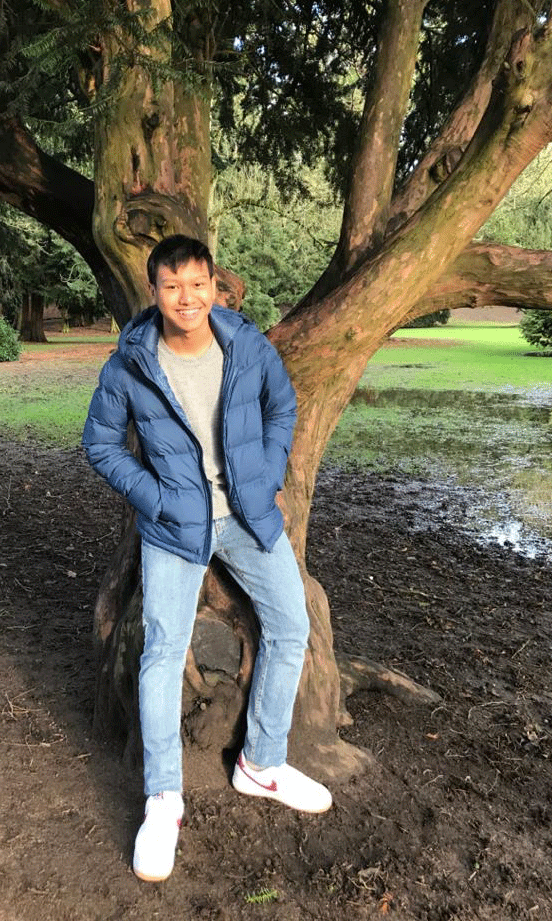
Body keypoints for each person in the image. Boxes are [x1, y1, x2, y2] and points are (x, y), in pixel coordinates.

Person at [82, 234, 332, 883]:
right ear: (154, 291)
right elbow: (100, 444)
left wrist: (268, 473)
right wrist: (155, 498)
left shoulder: (246, 344)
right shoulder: (131, 363)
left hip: (248, 517)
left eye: (198, 284)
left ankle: (261, 763)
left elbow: (282, 406)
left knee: (292, 625)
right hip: (175, 527)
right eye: (172, 286)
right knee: (162, 652)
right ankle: (163, 799)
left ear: (215, 287)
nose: (186, 298)